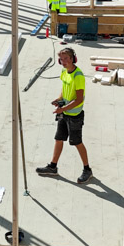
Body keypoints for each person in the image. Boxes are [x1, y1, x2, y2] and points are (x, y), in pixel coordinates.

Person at [36, 47, 92, 183]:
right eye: (61, 59)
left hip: (74, 115)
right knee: (59, 139)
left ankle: (87, 169)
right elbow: (64, 88)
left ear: (73, 59)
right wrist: (59, 99)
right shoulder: (64, 71)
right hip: (64, 112)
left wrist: (63, 109)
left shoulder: (78, 76)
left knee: (77, 142)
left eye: (66, 58)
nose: (63, 61)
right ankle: (53, 167)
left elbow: (79, 99)